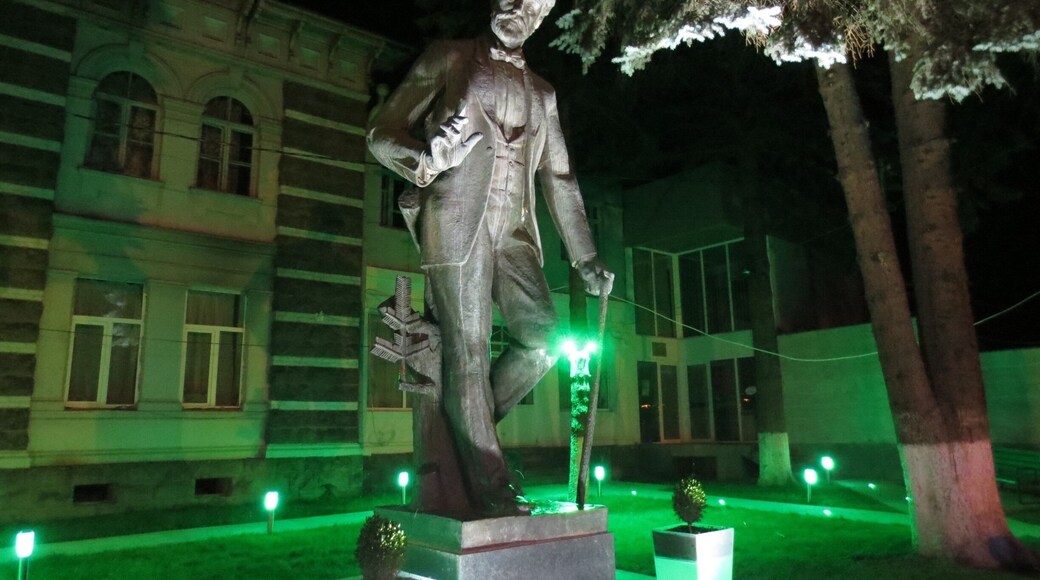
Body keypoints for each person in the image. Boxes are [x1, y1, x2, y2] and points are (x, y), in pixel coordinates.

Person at [368, 0, 613, 516]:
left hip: (515, 231)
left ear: (540, 18)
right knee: (469, 354)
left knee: (543, 339)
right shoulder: (450, 57)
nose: (515, 9)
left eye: (529, 6)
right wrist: (423, 160)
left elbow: (561, 179)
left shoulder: (543, 93)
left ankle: (463, 433)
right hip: (454, 221)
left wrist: (584, 256)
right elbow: (380, 131)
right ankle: (492, 485)